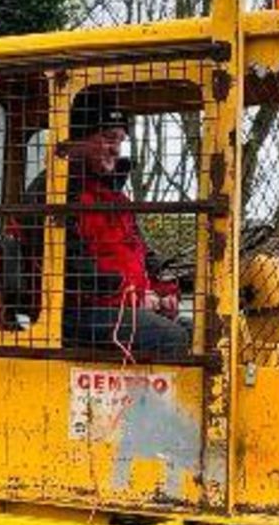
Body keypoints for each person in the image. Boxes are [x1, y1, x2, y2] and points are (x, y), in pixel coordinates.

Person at [55, 109, 192, 357]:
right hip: (78, 313)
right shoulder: (59, 194)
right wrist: (132, 294)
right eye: (108, 138)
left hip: (119, 307)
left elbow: (142, 256)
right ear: (79, 140)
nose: (116, 150)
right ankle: (147, 398)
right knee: (172, 338)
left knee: (201, 332)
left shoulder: (118, 201)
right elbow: (68, 267)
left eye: (120, 140)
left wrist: (162, 291)